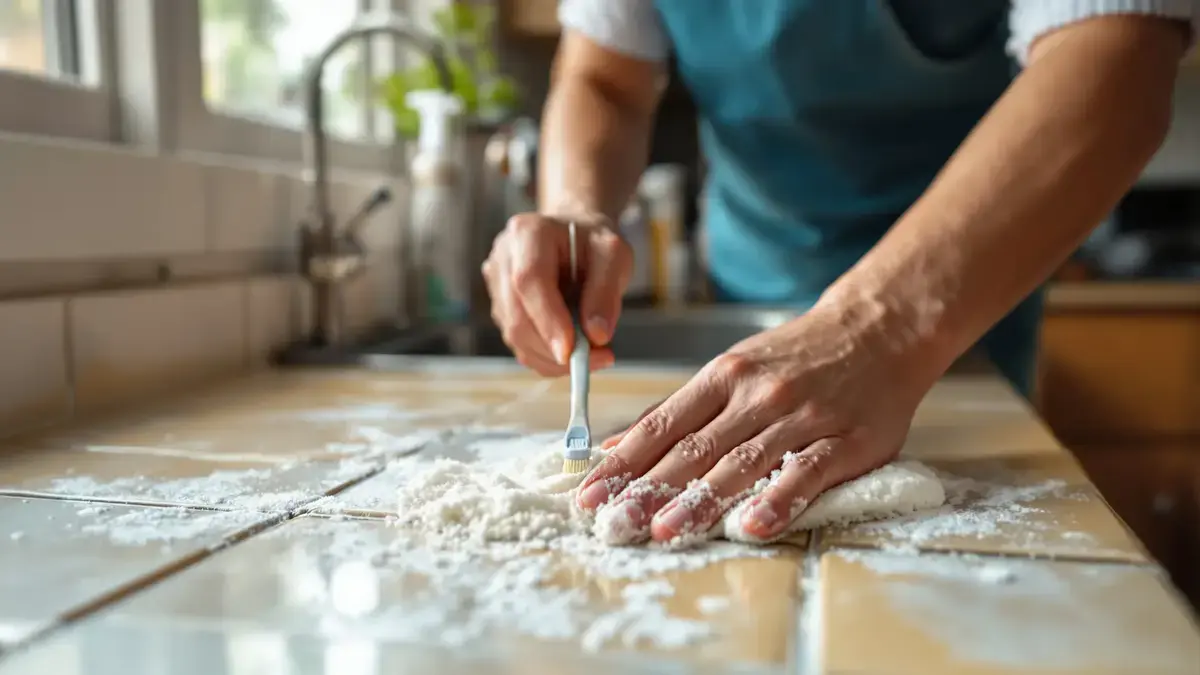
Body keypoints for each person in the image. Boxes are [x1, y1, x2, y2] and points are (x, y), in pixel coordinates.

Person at [481, 1, 1197, 544]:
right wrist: (576, 209)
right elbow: (605, 76)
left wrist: (876, 327)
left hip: (959, 304)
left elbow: (1118, 53)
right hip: (747, 293)